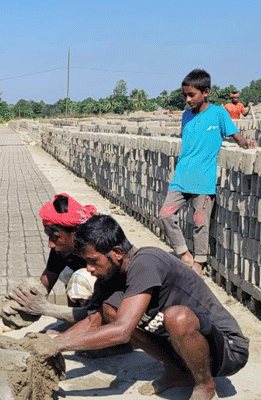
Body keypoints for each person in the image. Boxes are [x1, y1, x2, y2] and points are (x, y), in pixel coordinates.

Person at [34, 214, 248, 400]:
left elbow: (122, 332)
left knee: (177, 317)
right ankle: (178, 373)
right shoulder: (109, 276)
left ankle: (205, 385)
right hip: (181, 346)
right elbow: (92, 321)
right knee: (110, 311)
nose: (88, 269)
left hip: (226, 351)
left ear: (116, 252)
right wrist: (54, 341)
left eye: (92, 261)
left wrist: (59, 346)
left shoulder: (146, 262)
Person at [159, 69, 256, 275]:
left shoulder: (219, 113)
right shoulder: (185, 116)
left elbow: (237, 138)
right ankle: (184, 253)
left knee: (199, 221)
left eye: (191, 95)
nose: (187, 99)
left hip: (204, 178)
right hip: (182, 176)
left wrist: (246, 143)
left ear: (206, 92)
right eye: (185, 95)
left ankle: (199, 262)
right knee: (165, 215)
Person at [6, 193, 97, 323]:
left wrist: (46, 309)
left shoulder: (98, 248)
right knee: (68, 274)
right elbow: (44, 284)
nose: (50, 244)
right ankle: (75, 323)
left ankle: (88, 326)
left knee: (81, 279)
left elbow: (102, 310)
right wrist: (20, 300)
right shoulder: (61, 249)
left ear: (75, 231)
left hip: (114, 304)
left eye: (55, 237)